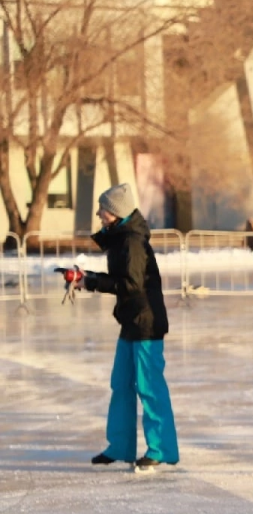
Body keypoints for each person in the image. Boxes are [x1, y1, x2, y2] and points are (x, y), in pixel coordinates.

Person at [78, 184, 179, 474]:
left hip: (145, 323)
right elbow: (121, 279)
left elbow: (132, 284)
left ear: (116, 212)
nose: (99, 213)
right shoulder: (121, 238)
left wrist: (92, 282)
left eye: (103, 209)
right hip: (131, 321)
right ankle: (120, 447)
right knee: (121, 385)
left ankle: (161, 450)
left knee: (149, 388)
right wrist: (89, 277)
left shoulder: (132, 242)